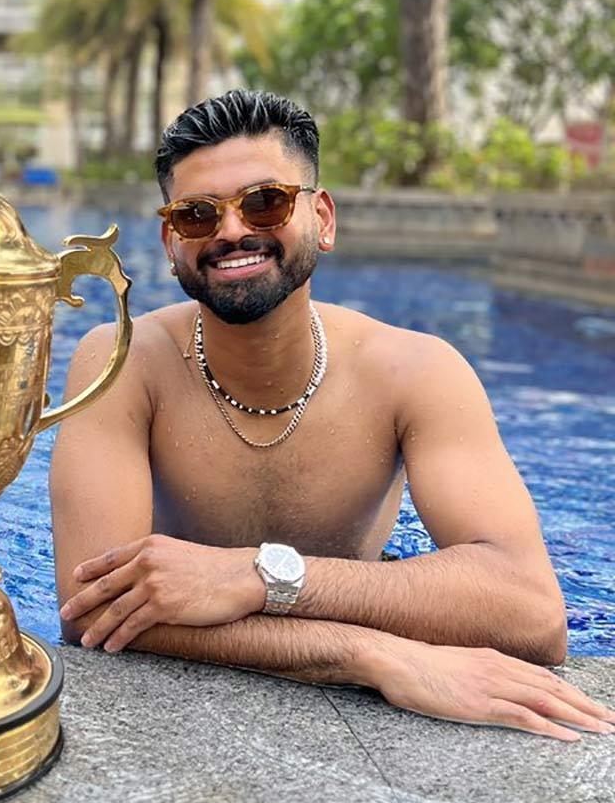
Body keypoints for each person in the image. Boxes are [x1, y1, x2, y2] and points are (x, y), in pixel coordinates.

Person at [51, 90, 614, 741]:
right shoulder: (122, 362)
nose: (232, 231)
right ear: (171, 243)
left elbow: (531, 611)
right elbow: (92, 611)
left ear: (322, 217)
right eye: (199, 215)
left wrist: (260, 577)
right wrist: (370, 654)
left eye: (266, 202)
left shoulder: (415, 372)